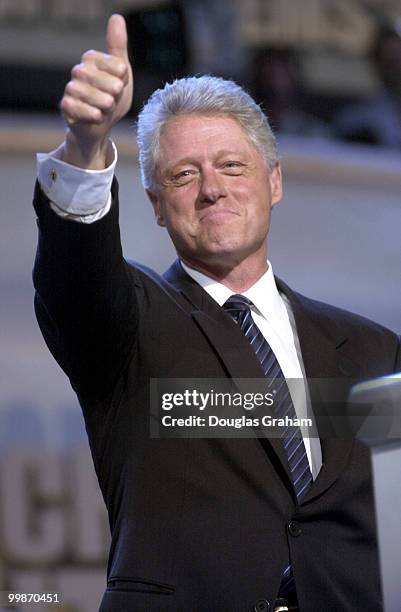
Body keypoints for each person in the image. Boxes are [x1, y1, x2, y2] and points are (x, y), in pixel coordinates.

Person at [33, 14, 400, 612]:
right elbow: (77, 276)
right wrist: (87, 144)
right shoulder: (132, 326)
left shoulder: (373, 350)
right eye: (183, 175)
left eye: (232, 166)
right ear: (155, 204)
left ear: (273, 181)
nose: (212, 189)